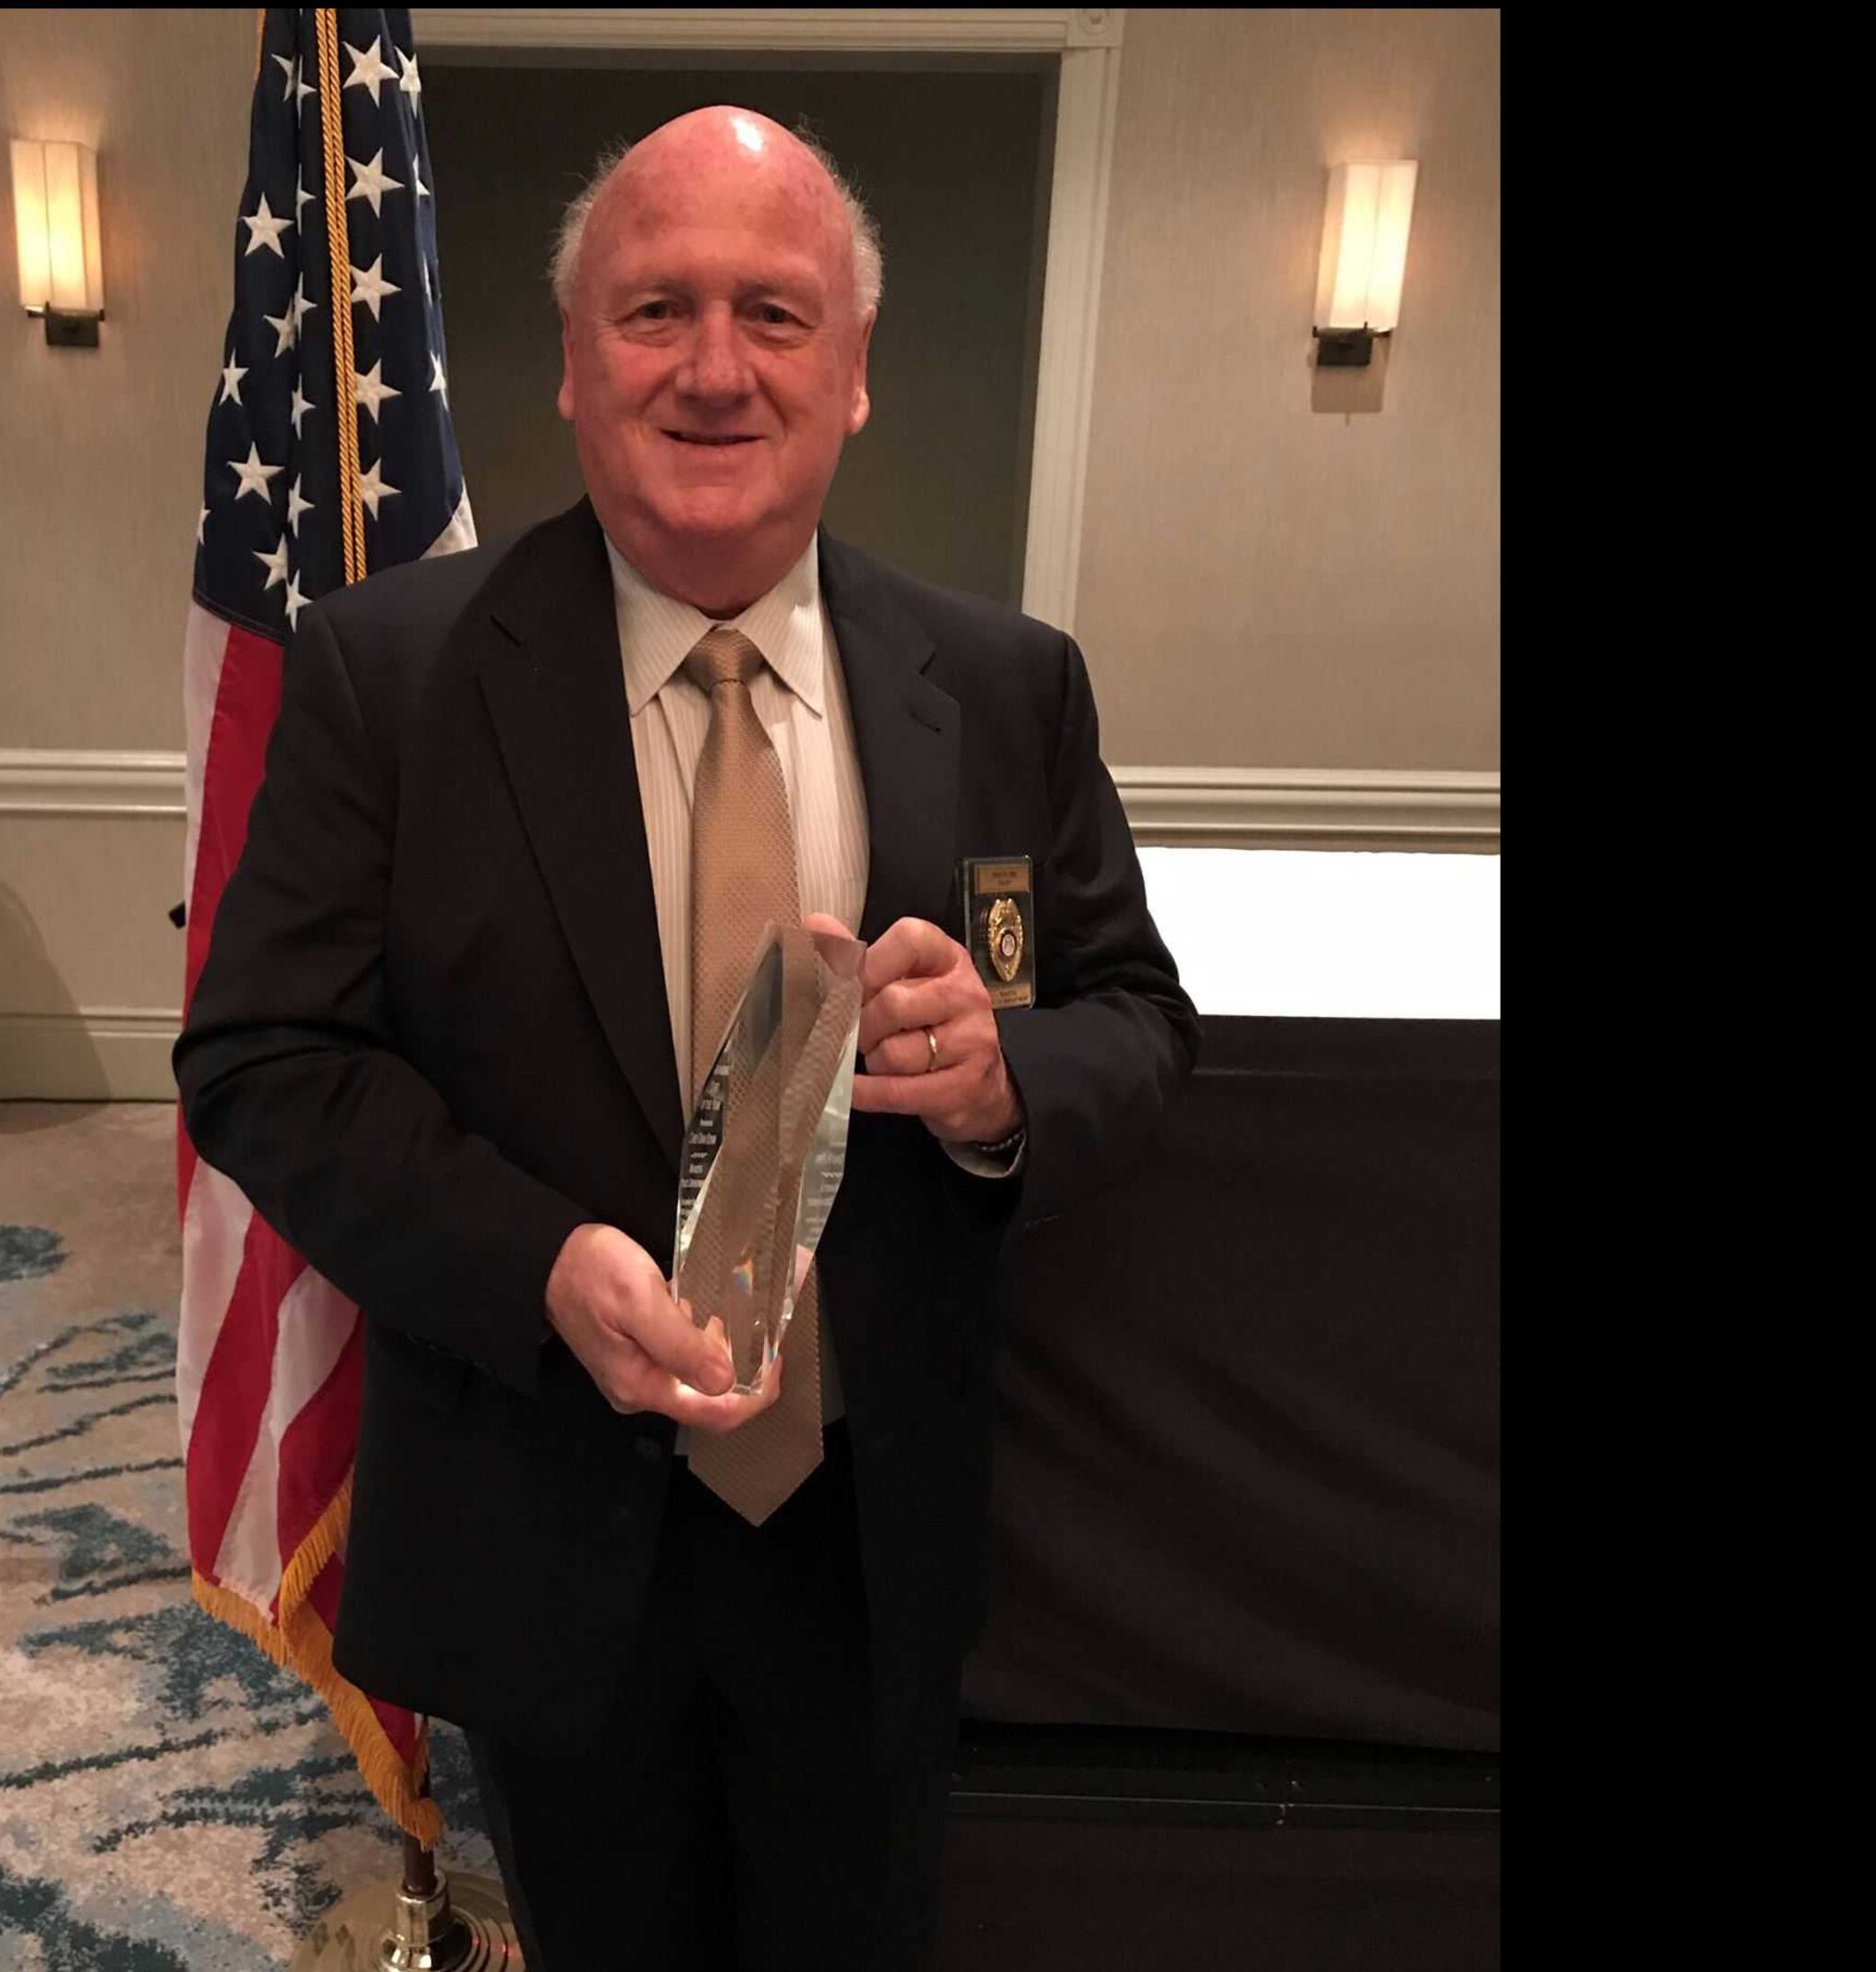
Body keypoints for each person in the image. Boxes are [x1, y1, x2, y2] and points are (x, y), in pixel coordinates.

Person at [173, 104, 1196, 1971]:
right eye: (656, 311)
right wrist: (536, 1263)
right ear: (571, 367)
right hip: (545, 1514)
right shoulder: (390, 676)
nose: (715, 369)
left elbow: (1136, 1016)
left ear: (853, 372)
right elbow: (261, 1058)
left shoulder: (1004, 686)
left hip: (870, 1532)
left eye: (774, 314)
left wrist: (1000, 1085)